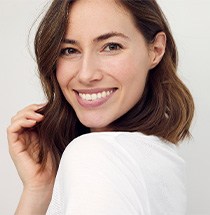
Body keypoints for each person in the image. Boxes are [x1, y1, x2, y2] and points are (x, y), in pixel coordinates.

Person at [7, 0, 194, 214]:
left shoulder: (94, 156)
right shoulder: (157, 157)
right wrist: (39, 190)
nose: (86, 74)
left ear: (156, 49)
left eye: (111, 47)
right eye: (69, 50)